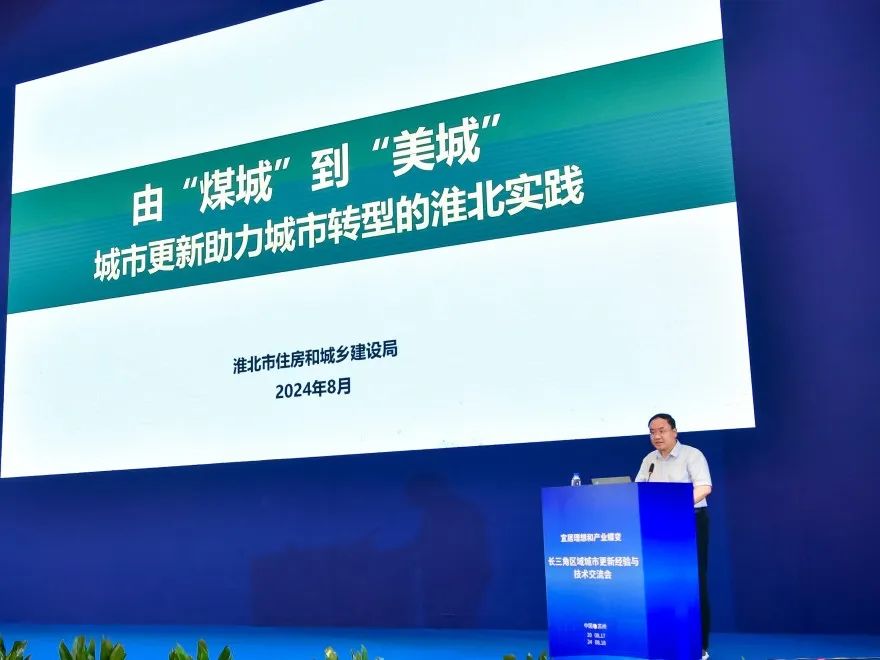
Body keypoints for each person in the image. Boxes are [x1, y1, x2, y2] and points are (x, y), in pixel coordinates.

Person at [635, 413, 712, 660]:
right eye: (652, 432)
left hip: (689, 523)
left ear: (674, 431)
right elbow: (637, 489)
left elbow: (704, 487)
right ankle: (663, 640)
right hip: (657, 528)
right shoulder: (649, 460)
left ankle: (699, 646)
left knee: (693, 582)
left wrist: (677, 507)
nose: (656, 436)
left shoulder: (692, 455)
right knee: (661, 583)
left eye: (662, 430)